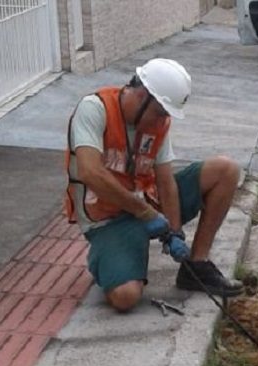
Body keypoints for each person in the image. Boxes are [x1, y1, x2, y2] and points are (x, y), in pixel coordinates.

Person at [64, 58, 243, 312]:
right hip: (108, 220)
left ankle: (196, 267)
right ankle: (106, 258)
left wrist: (175, 231)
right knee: (125, 297)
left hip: (147, 207)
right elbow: (90, 172)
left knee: (226, 170)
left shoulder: (158, 123)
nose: (162, 122)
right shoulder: (95, 110)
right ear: (140, 95)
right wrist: (145, 213)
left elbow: (165, 181)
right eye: (159, 113)